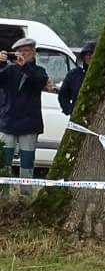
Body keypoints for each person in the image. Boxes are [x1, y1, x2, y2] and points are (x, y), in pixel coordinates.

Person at [0, 38, 49, 196]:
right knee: (4, 162)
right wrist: (0, 63)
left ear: (33, 53)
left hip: (29, 124)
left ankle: (25, 196)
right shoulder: (9, 70)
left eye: (27, 51)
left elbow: (39, 81)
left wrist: (25, 66)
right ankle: (3, 196)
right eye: (20, 51)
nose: (23, 54)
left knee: (27, 163)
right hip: (8, 123)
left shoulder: (39, 70)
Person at [59, 41, 95, 116]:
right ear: (83, 57)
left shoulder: (104, 73)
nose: (90, 57)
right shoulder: (73, 74)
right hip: (79, 116)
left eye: (93, 54)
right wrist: (70, 110)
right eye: (87, 55)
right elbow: (63, 95)